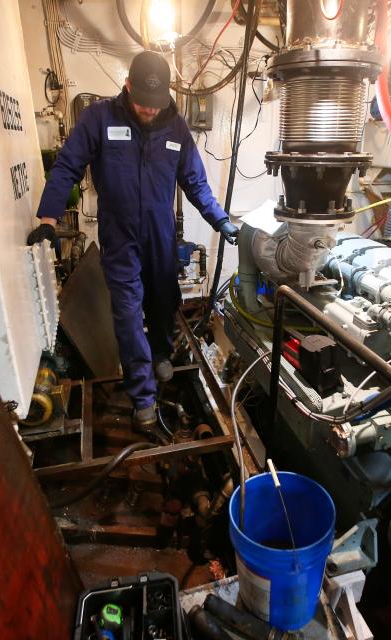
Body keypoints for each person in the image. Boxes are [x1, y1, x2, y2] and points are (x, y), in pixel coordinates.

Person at [28, 51, 238, 433]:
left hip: (159, 234)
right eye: (143, 103)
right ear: (127, 87)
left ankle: (160, 352)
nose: (149, 112)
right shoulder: (99, 118)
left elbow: (195, 182)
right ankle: (143, 397)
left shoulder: (175, 128)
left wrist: (220, 220)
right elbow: (67, 167)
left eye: (156, 105)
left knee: (164, 300)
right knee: (126, 312)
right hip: (119, 235)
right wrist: (48, 217)